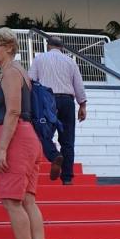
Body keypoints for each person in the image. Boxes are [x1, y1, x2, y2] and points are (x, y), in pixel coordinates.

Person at [0, 29, 49, 239]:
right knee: (28, 201)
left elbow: (13, 112)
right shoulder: (18, 71)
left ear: (9, 47)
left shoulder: (11, 72)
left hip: (18, 140)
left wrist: (2, 148)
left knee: (11, 202)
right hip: (29, 138)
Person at [29, 36, 87, 186]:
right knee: (68, 140)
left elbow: (31, 81)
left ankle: (54, 155)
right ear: (62, 47)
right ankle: (67, 178)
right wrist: (82, 105)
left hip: (48, 100)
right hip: (67, 101)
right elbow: (78, 84)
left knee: (42, 133)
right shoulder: (70, 61)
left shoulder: (39, 59)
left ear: (48, 46)